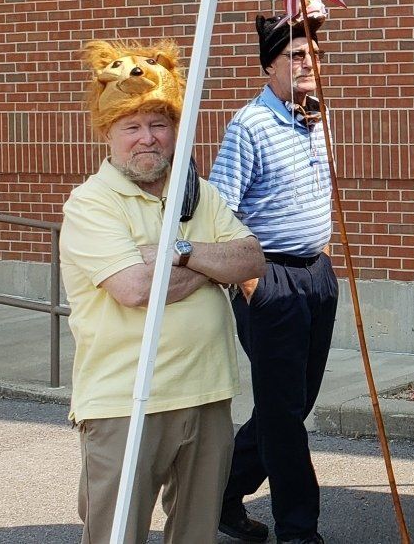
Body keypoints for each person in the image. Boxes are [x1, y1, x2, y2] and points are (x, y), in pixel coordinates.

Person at [60, 39, 265, 544]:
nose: (147, 139)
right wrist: (211, 263)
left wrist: (176, 250)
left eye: (159, 124)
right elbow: (133, 288)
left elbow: (252, 258)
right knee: (118, 535)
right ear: (107, 133)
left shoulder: (196, 192)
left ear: (176, 129)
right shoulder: (92, 204)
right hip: (124, 402)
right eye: (131, 126)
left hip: (208, 392)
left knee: (196, 534)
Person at [211, 3, 340, 544]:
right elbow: (219, 210)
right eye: (294, 55)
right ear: (269, 65)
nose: (306, 63)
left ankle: (219, 493)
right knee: (285, 417)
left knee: (289, 404)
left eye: (312, 54)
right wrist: (251, 282)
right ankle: (298, 531)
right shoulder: (250, 124)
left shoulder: (315, 115)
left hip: (317, 276)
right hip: (273, 281)